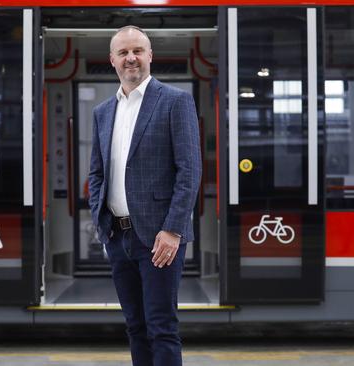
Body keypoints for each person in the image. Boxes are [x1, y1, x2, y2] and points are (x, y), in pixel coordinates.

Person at [88, 25, 201, 366]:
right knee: (135, 327)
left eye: (137, 50)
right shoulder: (103, 112)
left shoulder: (175, 102)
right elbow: (97, 172)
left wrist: (173, 230)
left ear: (150, 55)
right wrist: (100, 220)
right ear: (112, 60)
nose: (131, 58)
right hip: (118, 236)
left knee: (161, 327)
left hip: (159, 239)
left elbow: (190, 170)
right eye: (123, 53)